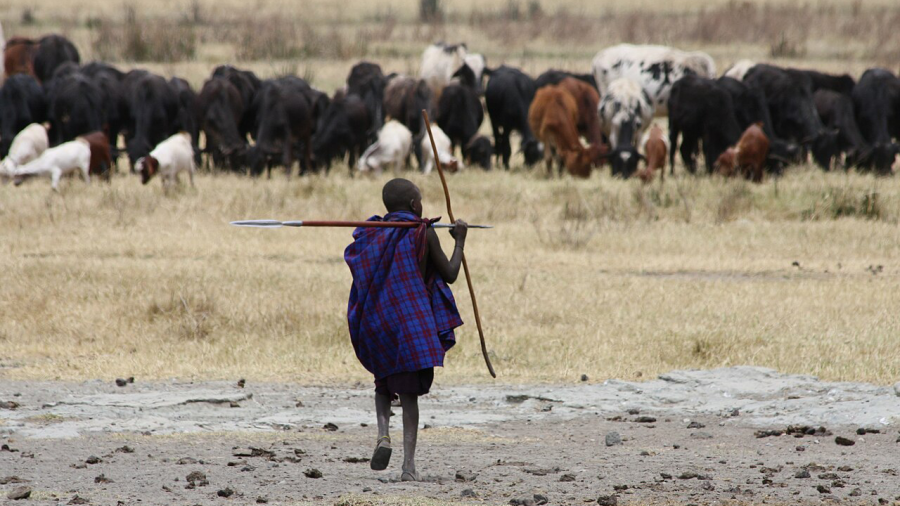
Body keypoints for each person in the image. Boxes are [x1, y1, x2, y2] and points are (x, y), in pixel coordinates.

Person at [344, 178, 468, 482]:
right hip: (409, 321)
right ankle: (408, 466)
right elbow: (450, 274)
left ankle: (383, 435)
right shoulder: (422, 234)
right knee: (409, 394)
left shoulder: (374, 233)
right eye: (421, 201)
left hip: (377, 319)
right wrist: (460, 240)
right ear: (415, 205)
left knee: (383, 383)